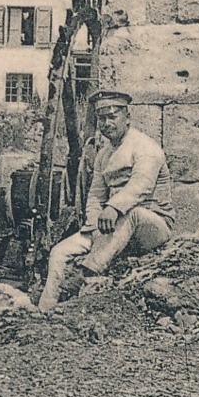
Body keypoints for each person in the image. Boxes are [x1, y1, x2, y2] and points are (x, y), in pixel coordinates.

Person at [39, 89, 175, 310]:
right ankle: (45, 308)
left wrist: (113, 207)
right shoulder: (104, 154)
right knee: (60, 252)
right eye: (102, 118)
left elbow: (141, 186)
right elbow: (95, 194)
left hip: (152, 224)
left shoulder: (146, 147)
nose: (107, 123)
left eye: (113, 116)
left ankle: (84, 275)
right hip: (114, 226)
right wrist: (93, 223)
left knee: (133, 213)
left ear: (127, 117)